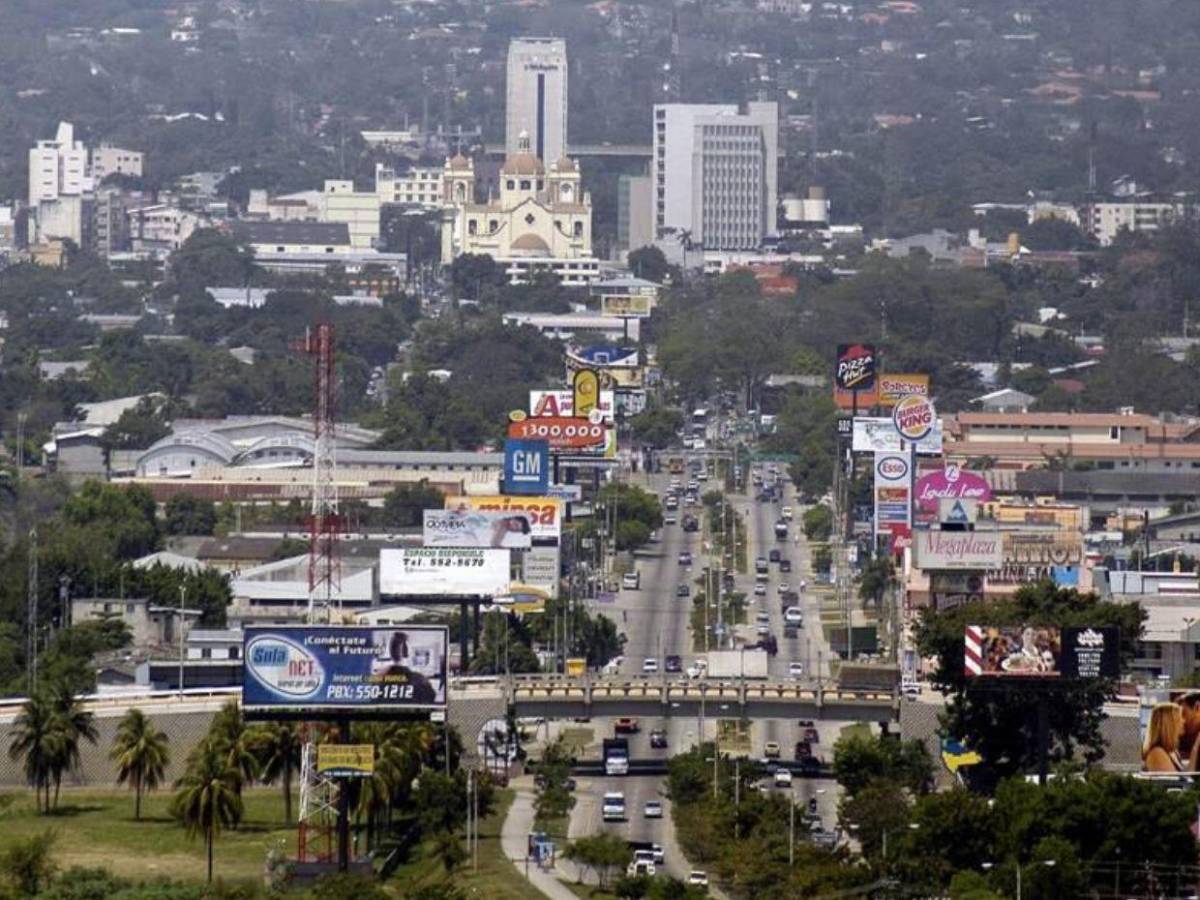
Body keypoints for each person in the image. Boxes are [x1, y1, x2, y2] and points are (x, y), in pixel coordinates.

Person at [1143, 702, 1186, 773]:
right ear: (1169, 724)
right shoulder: (1157, 754)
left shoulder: (1173, 752)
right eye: (1179, 718)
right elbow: (1174, 783)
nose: (1183, 721)